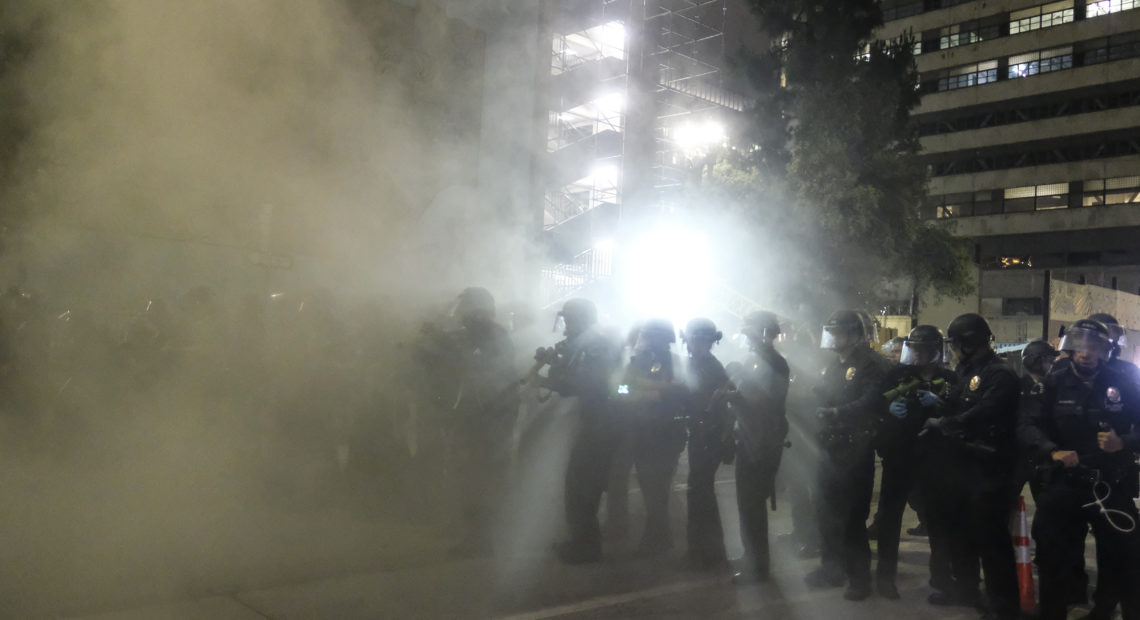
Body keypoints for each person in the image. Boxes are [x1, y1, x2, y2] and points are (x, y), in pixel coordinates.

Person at [1019, 319, 1140, 620]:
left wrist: (1122, 442)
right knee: (1052, 557)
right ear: (1070, 348)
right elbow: (1026, 425)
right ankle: (1053, 613)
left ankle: (1105, 610)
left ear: (1104, 351)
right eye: (1080, 346)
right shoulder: (1051, 383)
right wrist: (1052, 450)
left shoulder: (1123, 382)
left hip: (1111, 483)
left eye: (1094, 347)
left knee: (1125, 557)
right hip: (1065, 484)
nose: (1086, 353)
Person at [922, 313, 1020, 620]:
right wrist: (939, 406)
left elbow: (984, 412)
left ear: (968, 343)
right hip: (962, 465)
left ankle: (1002, 605)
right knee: (960, 532)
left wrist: (946, 423)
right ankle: (966, 589)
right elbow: (959, 402)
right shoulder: (965, 370)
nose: (952, 350)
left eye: (955, 343)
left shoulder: (999, 374)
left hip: (990, 467)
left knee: (991, 539)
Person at [804, 310, 888, 601]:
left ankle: (859, 579)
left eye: (839, 331)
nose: (834, 337)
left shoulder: (871, 364)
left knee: (853, 518)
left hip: (857, 449)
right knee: (825, 512)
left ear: (855, 333)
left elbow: (871, 401)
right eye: (832, 331)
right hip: (829, 448)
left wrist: (838, 412)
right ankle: (831, 569)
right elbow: (822, 393)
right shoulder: (832, 365)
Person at [873, 325, 957, 599]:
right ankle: (885, 578)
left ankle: (941, 578)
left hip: (933, 458)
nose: (918, 355)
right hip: (899, 455)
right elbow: (874, 405)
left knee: (938, 520)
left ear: (935, 351)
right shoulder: (896, 375)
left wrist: (940, 404)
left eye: (923, 349)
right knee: (889, 518)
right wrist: (888, 409)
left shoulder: (949, 379)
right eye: (915, 349)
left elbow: (961, 413)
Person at [538, 298, 621, 564]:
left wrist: (550, 377)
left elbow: (588, 384)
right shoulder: (589, 343)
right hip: (597, 422)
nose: (566, 326)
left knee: (583, 487)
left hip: (601, 424)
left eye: (569, 320)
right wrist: (555, 363)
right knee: (579, 486)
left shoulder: (595, 346)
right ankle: (582, 541)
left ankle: (586, 547)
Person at [441, 287, 519, 557]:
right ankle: (473, 532)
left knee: (478, 479)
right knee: (468, 478)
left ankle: (480, 538)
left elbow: (482, 375)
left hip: (487, 421)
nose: (460, 314)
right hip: (478, 418)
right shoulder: (481, 336)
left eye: (464, 309)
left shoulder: (491, 337)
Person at [726, 311, 790, 583]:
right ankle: (750, 555)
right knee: (745, 503)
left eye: (751, 332)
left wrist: (737, 392)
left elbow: (765, 401)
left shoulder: (774, 363)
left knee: (752, 504)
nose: (747, 337)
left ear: (764, 333)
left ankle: (758, 566)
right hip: (750, 438)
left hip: (762, 442)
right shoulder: (756, 360)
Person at [617, 318, 688, 557]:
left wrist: (644, 392)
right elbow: (620, 389)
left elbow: (677, 393)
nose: (644, 341)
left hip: (664, 434)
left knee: (658, 488)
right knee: (650, 488)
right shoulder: (641, 361)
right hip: (643, 432)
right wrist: (652, 390)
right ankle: (658, 535)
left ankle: (658, 538)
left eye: (649, 336)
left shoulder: (674, 363)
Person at [680, 318, 731, 570]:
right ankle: (702, 551)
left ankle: (708, 554)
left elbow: (708, 406)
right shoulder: (698, 364)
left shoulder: (710, 367)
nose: (690, 344)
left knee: (701, 491)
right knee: (698, 491)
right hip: (701, 434)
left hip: (708, 436)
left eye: (694, 339)